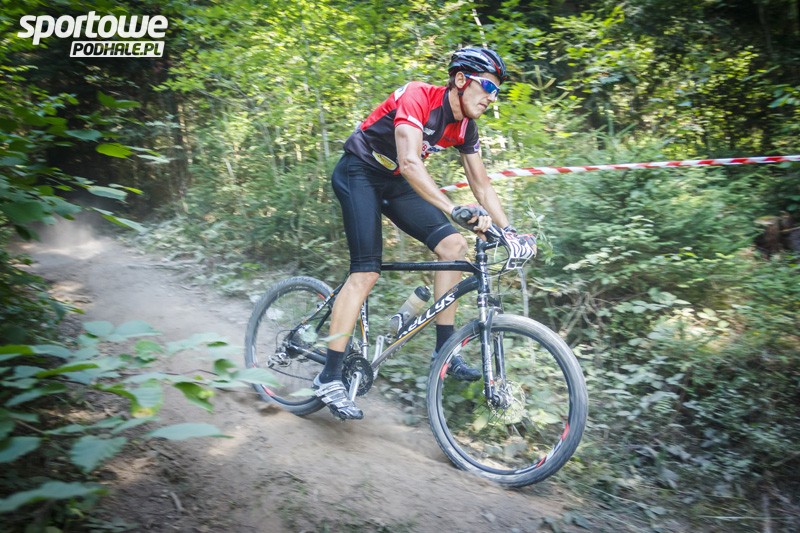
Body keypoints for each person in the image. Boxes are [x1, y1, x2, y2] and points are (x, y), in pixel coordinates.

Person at [315, 47, 532, 420]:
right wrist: (453, 208)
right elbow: (411, 162)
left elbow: (481, 184)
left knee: (453, 245)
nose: (492, 97)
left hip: (394, 182)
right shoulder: (419, 96)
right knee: (366, 272)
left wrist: (509, 231)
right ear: (460, 80)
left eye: (496, 91)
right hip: (359, 172)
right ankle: (329, 376)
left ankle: (444, 351)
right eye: (487, 86)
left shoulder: (465, 126)